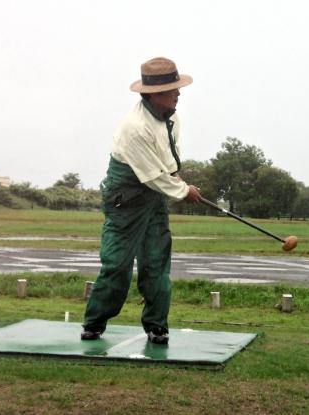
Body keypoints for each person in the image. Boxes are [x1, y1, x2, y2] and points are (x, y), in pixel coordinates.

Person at [81, 57, 202, 345]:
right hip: (127, 197)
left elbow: (168, 162)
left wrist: (177, 180)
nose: (179, 94)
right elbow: (151, 175)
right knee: (117, 264)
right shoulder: (134, 127)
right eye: (173, 90)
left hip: (156, 193)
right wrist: (184, 191)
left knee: (156, 262)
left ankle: (157, 325)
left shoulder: (171, 117)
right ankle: (95, 322)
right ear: (154, 95)